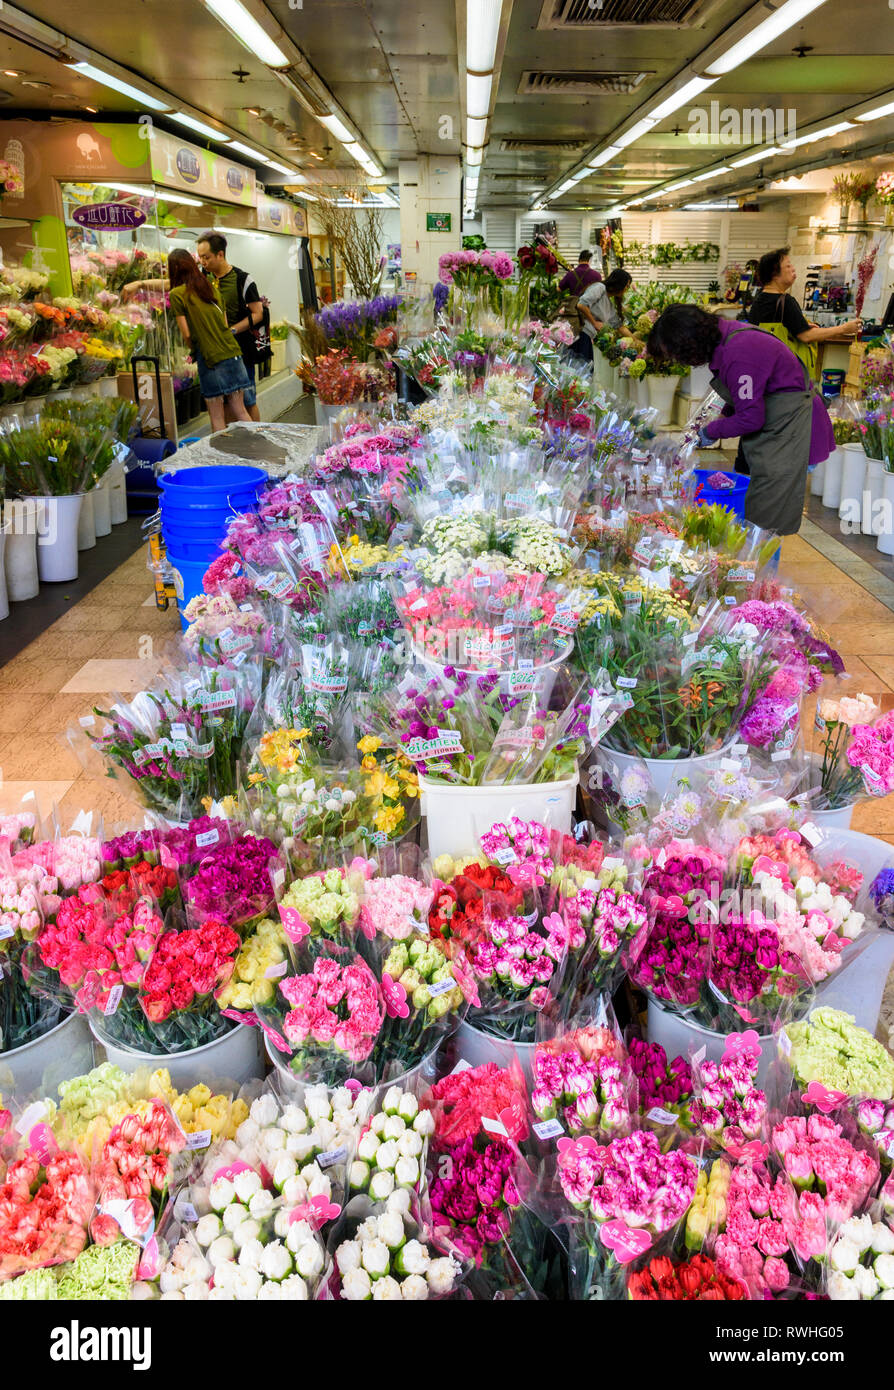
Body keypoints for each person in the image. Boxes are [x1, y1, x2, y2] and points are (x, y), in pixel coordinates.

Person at [647, 304, 834, 536]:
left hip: (791, 425)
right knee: (759, 502)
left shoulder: (739, 351)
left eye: (675, 355)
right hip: (778, 419)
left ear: (689, 345)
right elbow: (745, 391)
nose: (678, 361)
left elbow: (751, 418)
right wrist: (724, 415)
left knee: (767, 516)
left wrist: (710, 432)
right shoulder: (726, 337)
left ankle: (760, 568)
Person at [166, 249, 252, 433]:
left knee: (217, 416)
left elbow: (187, 334)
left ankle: (222, 458)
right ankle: (254, 451)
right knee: (241, 411)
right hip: (233, 352)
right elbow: (225, 323)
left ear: (173, 270)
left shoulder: (176, 294)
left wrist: (193, 350)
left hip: (211, 358)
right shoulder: (210, 288)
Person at [748, 247, 861, 379]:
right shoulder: (785, 301)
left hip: (763, 369)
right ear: (774, 273)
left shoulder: (759, 300)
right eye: (788, 266)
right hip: (785, 374)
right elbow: (807, 336)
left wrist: (799, 326)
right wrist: (843, 329)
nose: (793, 269)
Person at [196, 232, 264, 422]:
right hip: (216, 353)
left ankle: (257, 441)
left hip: (241, 349)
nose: (203, 262)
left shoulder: (242, 279)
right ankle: (234, 443)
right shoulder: (202, 279)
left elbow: (258, 313)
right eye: (200, 257)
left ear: (220, 254)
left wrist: (232, 330)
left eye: (206, 257)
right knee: (224, 402)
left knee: (248, 399)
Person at [573, 268, 635, 363]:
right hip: (581, 334)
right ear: (619, 283)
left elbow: (619, 327)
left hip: (589, 337)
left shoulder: (609, 304)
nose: (626, 289)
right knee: (578, 367)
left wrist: (636, 340)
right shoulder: (600, 288)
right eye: (626, 286)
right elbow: (581, 304)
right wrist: (594, 323)